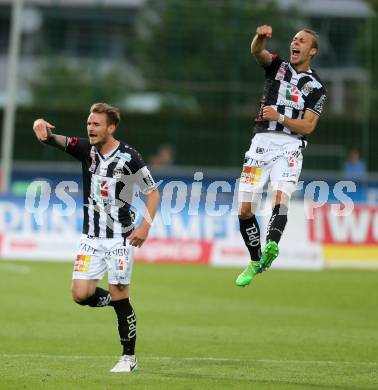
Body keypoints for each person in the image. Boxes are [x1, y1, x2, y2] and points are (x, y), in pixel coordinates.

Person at [32, 103, 160, 372]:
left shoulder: (129, 157)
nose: (90, 128)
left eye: (96, 124)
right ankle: (119, 303)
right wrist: (40, 126)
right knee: (81, 294)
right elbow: (51, 139)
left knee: (120, 291)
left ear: (111, 128)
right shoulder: (85, 150)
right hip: (91, 237)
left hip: (119, 238)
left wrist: (145, 227)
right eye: (89, 123)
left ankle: (129, 358)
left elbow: (153, 193)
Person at [236, 25, 326, 287]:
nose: (295, 43)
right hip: (260, 145)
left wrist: (280, 117)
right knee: (244, 210)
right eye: (294, 39)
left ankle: (272, 244)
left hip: (291, 146)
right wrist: (260, 38)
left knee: (280, 197)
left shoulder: (317, 88)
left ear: (313, 51)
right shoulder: (277, 66)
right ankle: (255, 260)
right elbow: (257, 52)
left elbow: (308, 126)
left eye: (302, 41)